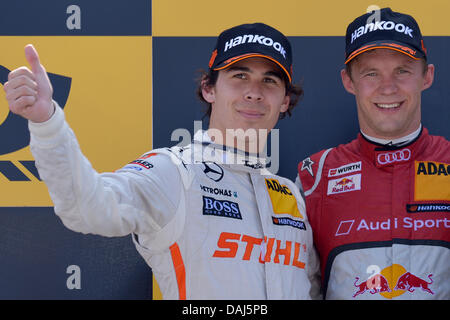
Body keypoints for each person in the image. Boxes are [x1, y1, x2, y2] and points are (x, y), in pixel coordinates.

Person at [4, 22, 320, 299]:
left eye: (270, 81)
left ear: (285, 101)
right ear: (209, 89)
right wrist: (47, 123)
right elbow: (88, 208)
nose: (254, 92)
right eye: (239, 76)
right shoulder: (174, 172)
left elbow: (311, 289)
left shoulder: (290, 195)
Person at [296, 8, 449, 300]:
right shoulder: (313, 176)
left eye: (402, 70)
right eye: (371, 73)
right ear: (348, 81)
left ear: (426, 76)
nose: (388, 87)